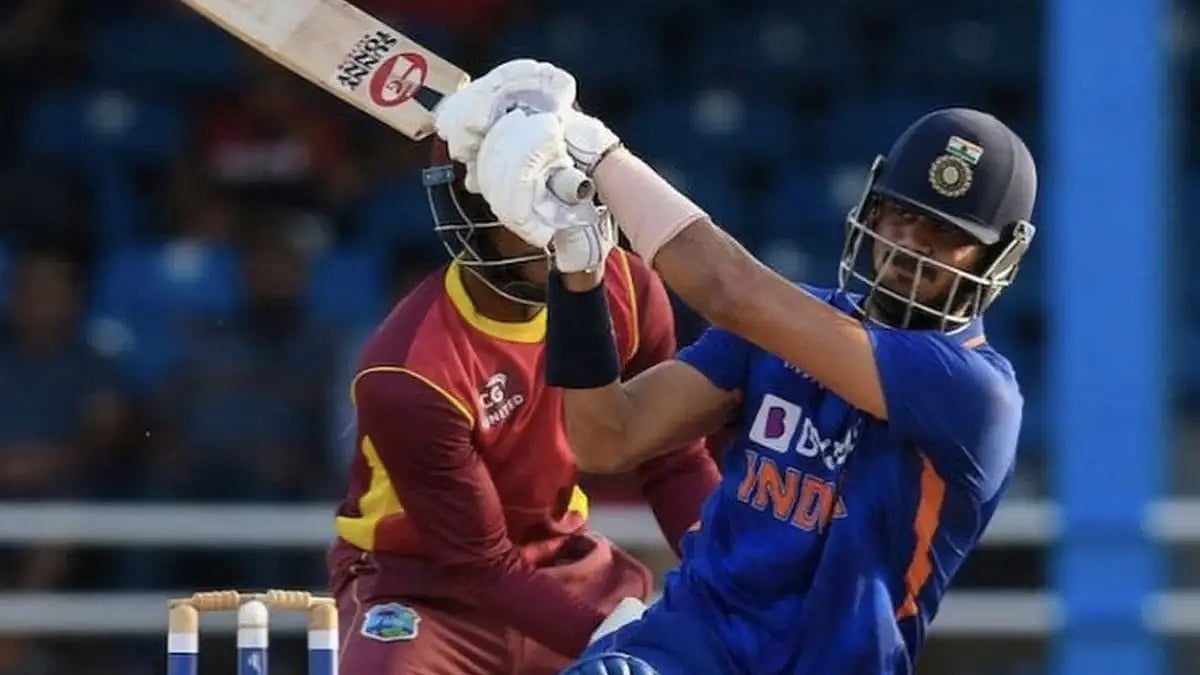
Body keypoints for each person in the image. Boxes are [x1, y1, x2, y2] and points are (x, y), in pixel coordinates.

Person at [436, 60, 1036, 674]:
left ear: (998, 257)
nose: (912, 244)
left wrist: (599, 154)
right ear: (873, 209)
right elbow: (608, 436)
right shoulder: (779, 328)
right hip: (687, 646)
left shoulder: (975, 394)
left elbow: (728, 290)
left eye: (945, 233)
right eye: (902, 215)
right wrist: (578, 267)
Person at [327, 62, 720, 675]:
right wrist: (608, 643)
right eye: (529, 199)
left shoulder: (629, 287)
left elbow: (673, 460)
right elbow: (480, 565)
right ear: (473, 209)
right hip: (424, 591)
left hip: (569, 564)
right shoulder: (408, 374)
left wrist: (734, 575)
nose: (559, 220)